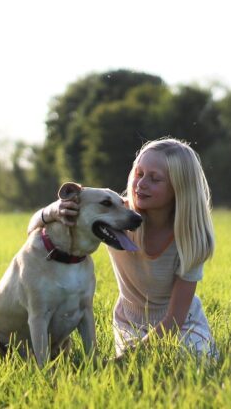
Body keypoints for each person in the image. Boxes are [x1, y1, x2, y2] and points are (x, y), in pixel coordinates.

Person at [27, 137, 218, 359]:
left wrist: (125, 358)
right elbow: (33, 226)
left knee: (190, 359)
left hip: (182, 324)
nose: (141, 184)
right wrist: (53, 211)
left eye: (155, 179)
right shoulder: (114, 215)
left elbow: (174, 319)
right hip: (130, 323)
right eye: (139, 173)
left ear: (179, 188)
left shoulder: (191, 237)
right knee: (139, 367)